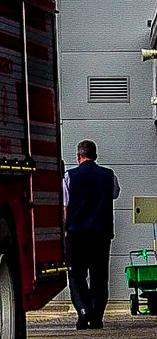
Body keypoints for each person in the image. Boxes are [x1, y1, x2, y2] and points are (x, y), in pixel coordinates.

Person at [63, 139, 120, 329]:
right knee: (99, 277)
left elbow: (64, 208)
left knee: (76, 276)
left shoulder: (69, 176)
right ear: (95, 155)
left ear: (78, 156)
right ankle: (96, 316)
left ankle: (83, 310)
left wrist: (64, 231)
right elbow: (115, 194)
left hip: (76, 235)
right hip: (101, 234)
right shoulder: (109, 175)